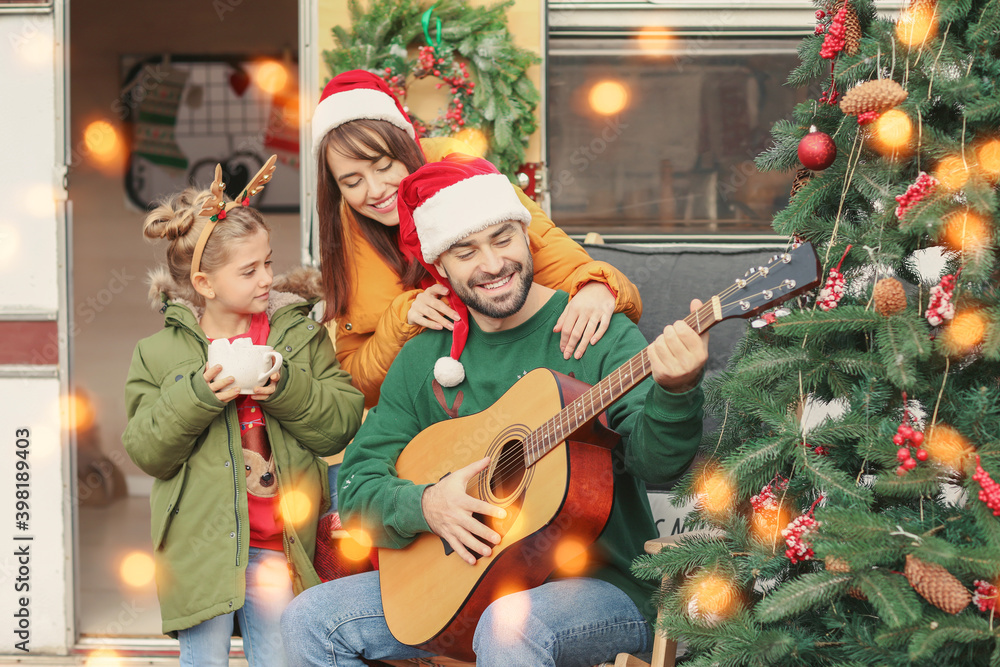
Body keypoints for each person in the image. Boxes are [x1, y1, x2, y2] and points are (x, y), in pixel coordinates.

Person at [280, 154, 708, 666]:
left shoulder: (595, 332)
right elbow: (356, 487)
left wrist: (677, 391)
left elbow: (661, 463)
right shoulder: (424, 356)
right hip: (461, 588)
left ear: (527, 237)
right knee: (308, 619)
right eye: (466, 251)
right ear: (440, 267)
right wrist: (428, 504)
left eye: (503, 239)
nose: (491, 264)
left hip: (602, 588)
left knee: (508, 628)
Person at [122, 159, 365, 667]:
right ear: (205, 284)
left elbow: (341, 422)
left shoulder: (297, 335)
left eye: (269, 264)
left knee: (281, 658)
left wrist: (286, 387)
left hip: (282, 544)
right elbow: (147, 450)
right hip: (200, 551)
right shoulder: (158, 353)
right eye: (249, 270)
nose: (267, 279)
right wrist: (197, 396)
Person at [311, 69, 643, 407]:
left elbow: (580, 272)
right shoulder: (349, 236)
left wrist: (600, 286)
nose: (376, 190)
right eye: (352, 182)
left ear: (406, 149)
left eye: (383, 167)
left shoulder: (468, 181)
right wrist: (401, 319)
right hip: (434, 420)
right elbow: (355, 386)